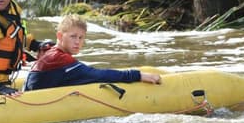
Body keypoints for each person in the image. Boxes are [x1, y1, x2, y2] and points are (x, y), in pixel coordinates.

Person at [24, 14, 162, 90]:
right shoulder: (61, 59)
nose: (77, 42)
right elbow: (98, 75)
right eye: (73, 36)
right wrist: (137, 75)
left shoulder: (49, 49)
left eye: (81, 37)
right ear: (60, 36)